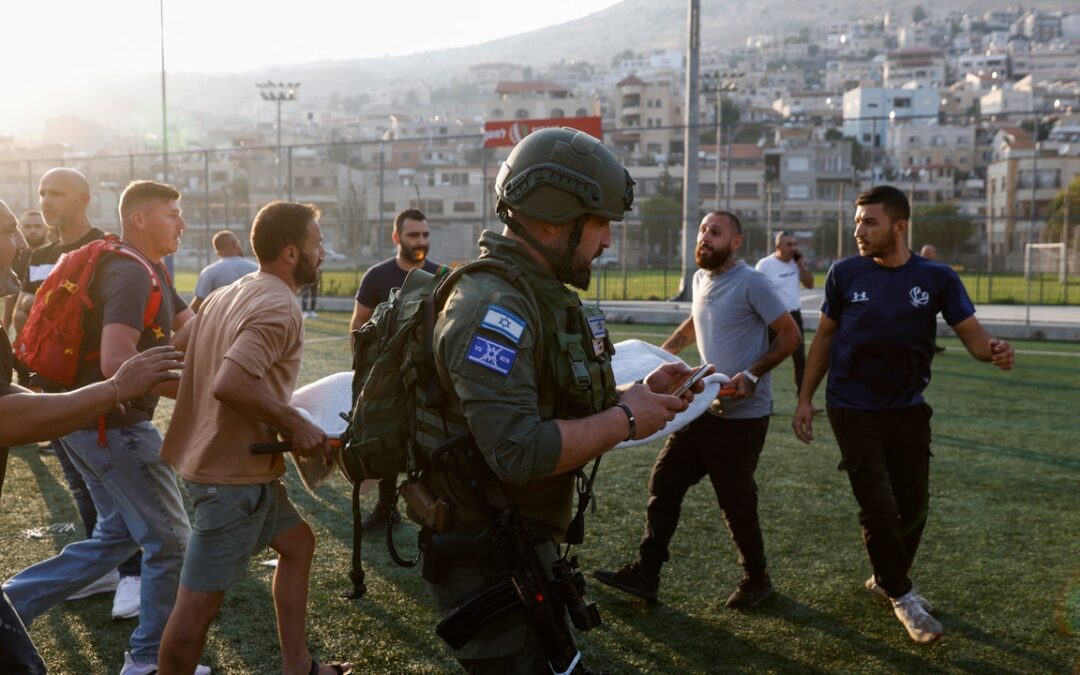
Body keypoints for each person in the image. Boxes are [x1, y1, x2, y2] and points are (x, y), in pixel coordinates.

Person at [416, 128, 696, 673]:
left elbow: (547, 409)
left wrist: (632, 396)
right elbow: (518, 451)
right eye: (600, 225)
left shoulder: (534, 298)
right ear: (550, 219)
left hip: (518, 544)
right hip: (485, 555)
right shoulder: (491, 310)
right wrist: (627, 418)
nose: (608, 242)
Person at [792, 185, 1014, 644]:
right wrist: (804, 398)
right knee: (878, 504)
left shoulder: (937, 277)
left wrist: (993, 350)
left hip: (908, 408)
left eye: (869, 222)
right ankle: (902, 594)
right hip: (851, 406)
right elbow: (824, 340)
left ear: (899, 227)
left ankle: (886, 577)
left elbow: (972, 335)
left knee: (914, 506)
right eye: (856, 221)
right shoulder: (844, 273)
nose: (858, 230)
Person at [4, 180, 205, 675]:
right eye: (172, 213)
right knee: (171, 539)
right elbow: (119, 361)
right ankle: (148, 661)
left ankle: (8, 604)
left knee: (115, 537)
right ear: (138, 219)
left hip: (86, 424)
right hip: (112, 426)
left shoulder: (146, 266)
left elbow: (194, 327)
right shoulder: (131, 273)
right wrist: (208, 397)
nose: (182, 223)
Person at [158, 201, 352, 675]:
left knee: (299, 544)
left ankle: (298, 665)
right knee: (194, 616)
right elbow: (231, 383)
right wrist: (296, 422)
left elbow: (178, 354)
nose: (321, 252)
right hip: (231, 481)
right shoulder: (279, 304)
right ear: (291, 253)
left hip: (234, 465)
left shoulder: (232, 290)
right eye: (316, 244)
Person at [594, 211, 800, 608]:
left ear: (735, 242)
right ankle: (646, 573)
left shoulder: (751, 282)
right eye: (703, 230)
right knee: (664, 484)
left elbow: (790, 335)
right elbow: (694, 323)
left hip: (742, 418)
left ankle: (757, 580)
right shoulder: (701, 277)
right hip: (701, 408)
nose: (705, 237)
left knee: (736, 501)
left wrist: (752, 375)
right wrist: (659, 356)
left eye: (715, 232)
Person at [12, 169, 146, 616]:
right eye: (42, 193)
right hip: (50, 388)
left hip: (94, 392)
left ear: (85, 199)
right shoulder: (39, 254)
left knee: (115, 490)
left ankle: (133, 574)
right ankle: (106, 569)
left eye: (57, 193)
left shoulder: (106, 252)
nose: (47, 201)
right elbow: (25, 311)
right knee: (81, 485)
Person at [348, 208, 442, 531]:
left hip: (426, 378)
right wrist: (364, 376)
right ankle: (386, 508)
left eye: (425, 234)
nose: (421, 241)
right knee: (387, 441)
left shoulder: (439, 276)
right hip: (387, 380)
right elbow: (358, 326)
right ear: (396, 237)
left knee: (431, 444)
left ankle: (433, 513)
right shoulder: (377, 276)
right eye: (413, 235)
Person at [755, 230, 815, 394]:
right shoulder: (765, 265)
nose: (794, 248)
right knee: (764, 360)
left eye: (795, 244)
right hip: (772, 318)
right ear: (778, 246)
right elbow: (756, 292)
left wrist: (801, 266)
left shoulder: (796, 264)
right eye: (789, 244)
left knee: (800, 359)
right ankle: (762, 398)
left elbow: (810, 284)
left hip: (794, 316)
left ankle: (803, 400)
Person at [3, 211, 49, 334]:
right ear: (20, 229)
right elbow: (10, 294)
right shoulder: (16, 256)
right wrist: (5, 328)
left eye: (37, 226)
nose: (32, 230)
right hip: (22, 331)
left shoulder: (56, 256)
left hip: (47, 328)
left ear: (46, 229)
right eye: (27, 226)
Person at [189, 230, 258, 313]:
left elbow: (197, 306)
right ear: (234, 244)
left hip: (220, 323)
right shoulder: (256, 269)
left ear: (217, 252)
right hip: (250, 321)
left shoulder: (209, 271)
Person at [919, 244, 945, 353]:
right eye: (928, 253)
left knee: (930, 323)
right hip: (917, 300)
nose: (931, 256)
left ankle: (931, 344)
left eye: (932, 253)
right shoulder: (916, 266)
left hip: (929, 300)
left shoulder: (934, 267)